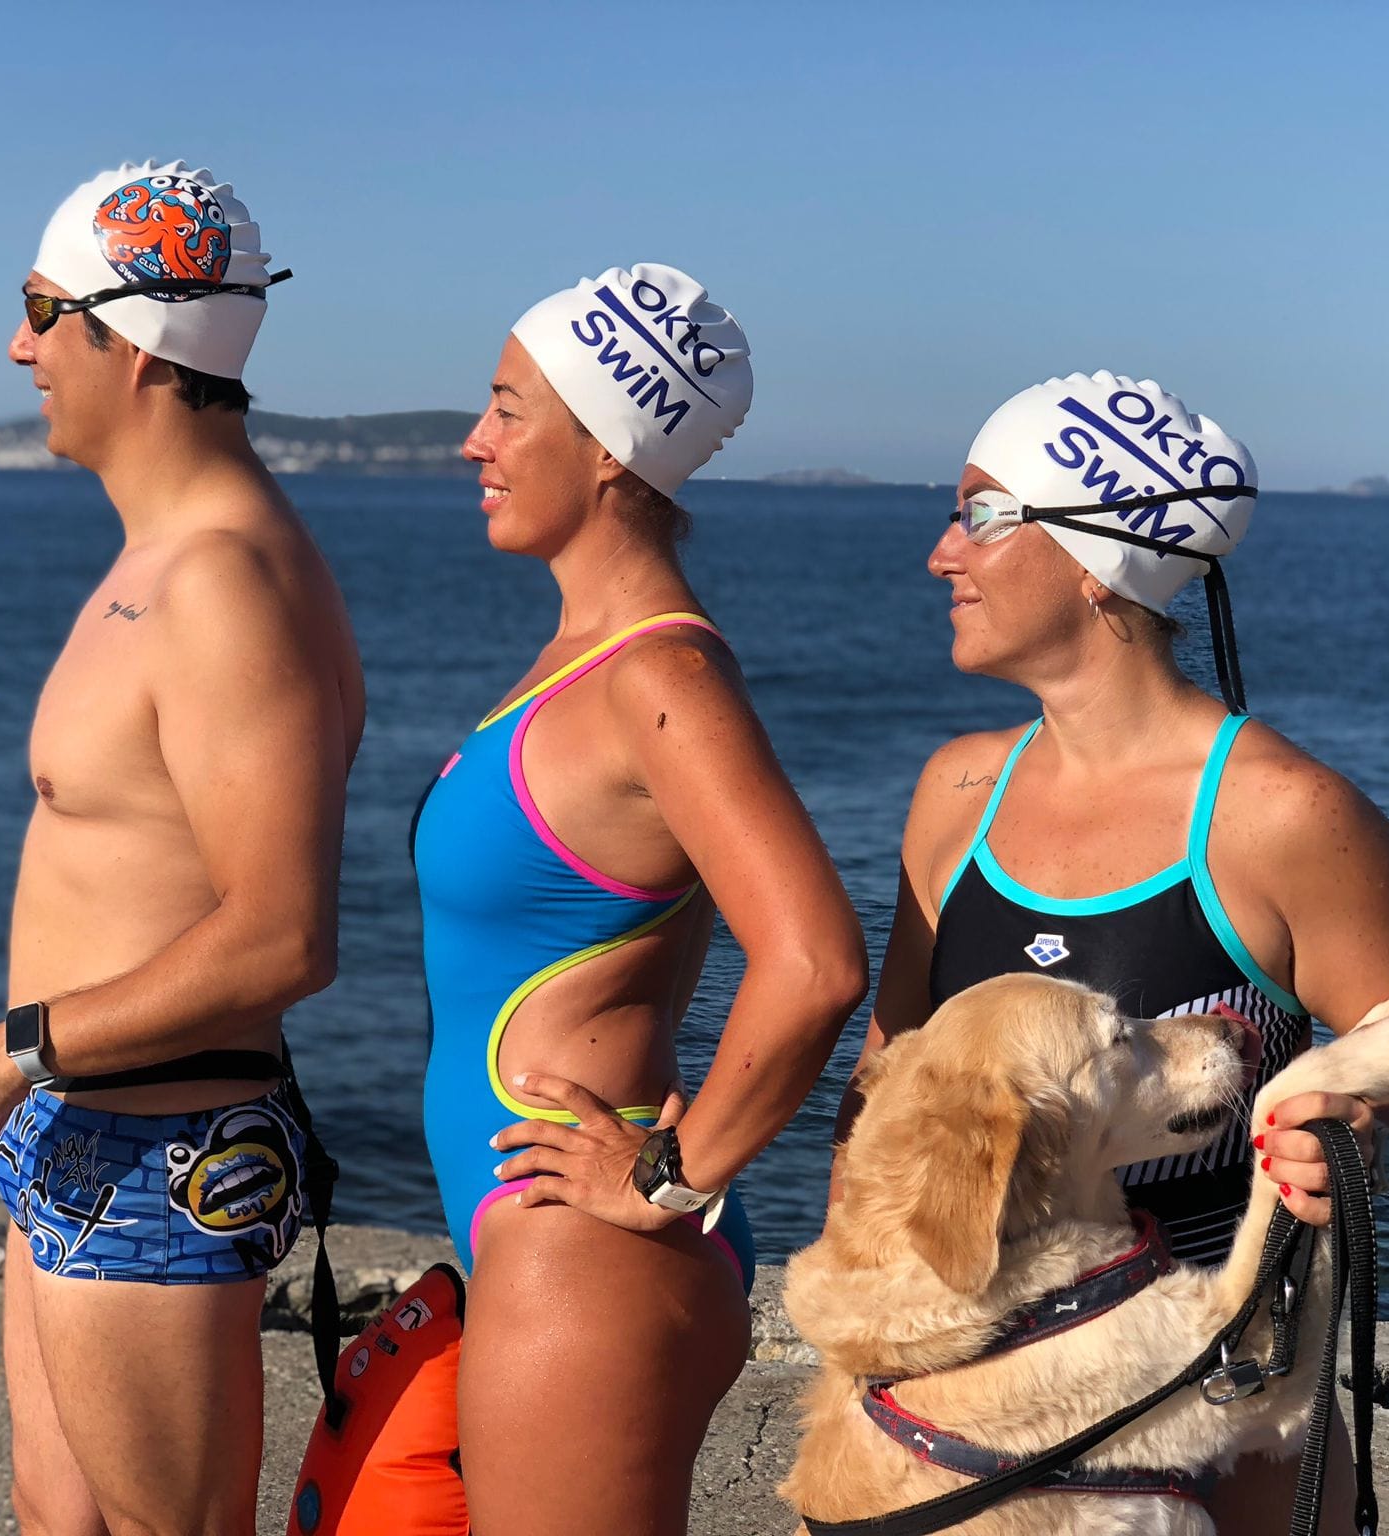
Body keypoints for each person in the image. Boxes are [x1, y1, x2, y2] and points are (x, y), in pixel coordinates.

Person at [831, 371, 1389, 1534]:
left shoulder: (1281, 814)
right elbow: (887, 1077)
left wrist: (1362, 1149)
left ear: (1097, 563)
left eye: (981, 515)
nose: (940, 553)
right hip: (968, 1423)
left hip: (1220, 1408)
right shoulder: (955, 792)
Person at [0, 160, 364, 1536]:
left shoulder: (221, 582)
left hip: (158, 1144)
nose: (18, 346)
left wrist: (11, 1050)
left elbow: (284, 935)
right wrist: (34, 1081)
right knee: (58, 1516)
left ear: (139, 343)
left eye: (43, 310)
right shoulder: (163, 556)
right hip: (78, 1119)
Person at [410, 263, 869, 1536]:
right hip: (542, 1226)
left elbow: (815, 962)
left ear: (608, 449)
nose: (473, 441)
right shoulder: (582, 660)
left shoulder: (656, 676)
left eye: (507, 410)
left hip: (585, 1249)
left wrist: (668, 1177)